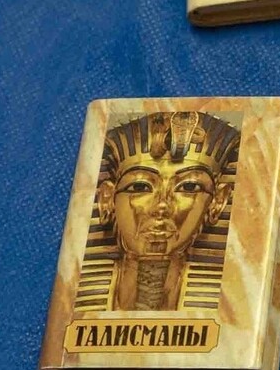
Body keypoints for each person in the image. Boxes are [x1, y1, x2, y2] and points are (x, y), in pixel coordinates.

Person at [89, 111, 240, 310]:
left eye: (188, 187)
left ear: (217, 202)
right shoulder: (76, 295)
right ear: (107, 198)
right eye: (140, 186)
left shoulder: (234, 303)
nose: (162, 206)